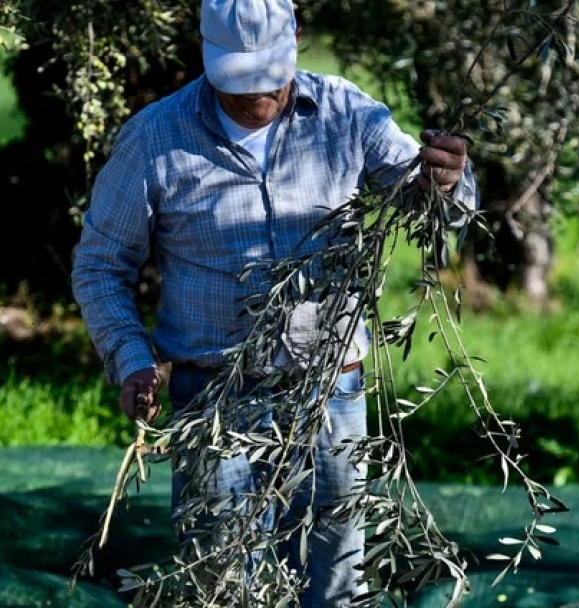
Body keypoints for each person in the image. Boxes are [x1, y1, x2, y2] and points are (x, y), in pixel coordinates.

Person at [72, 0, 477, 604]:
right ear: (206, 54)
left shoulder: (346, 114)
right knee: (222, 581)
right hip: (215, 397)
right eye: (240, 82)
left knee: (334, 578)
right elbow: (101, 264)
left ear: (297, 42)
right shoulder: (156, 139)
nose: (257, 99)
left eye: (269, 79)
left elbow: (435, 208)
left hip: (330, 395)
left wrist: (445, 183)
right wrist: (131, 357)